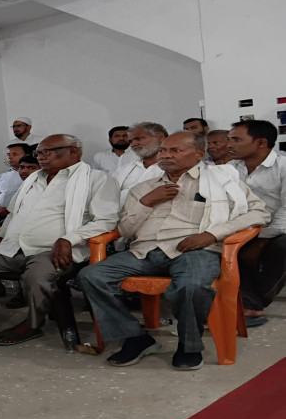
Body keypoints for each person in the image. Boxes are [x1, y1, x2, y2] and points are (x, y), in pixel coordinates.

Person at [78, 132, 269, 370]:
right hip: (145, 251)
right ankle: (135, 338)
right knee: (91, 276)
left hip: (196, 250)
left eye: (175, 151)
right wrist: (146, 202)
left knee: (191, 285)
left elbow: (259, 212)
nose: (165, 155)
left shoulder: (221, 181)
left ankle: (189, 346)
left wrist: (212, 234)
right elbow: (126, 230)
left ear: (199, 154)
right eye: (162, 150)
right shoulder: (144, 188)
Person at [0, 134, 118, 356]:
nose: (40, 157)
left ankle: (32, 324)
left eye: (47, 152)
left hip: (53, 251)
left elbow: (106, 220)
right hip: (12, 247)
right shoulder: (33, 179)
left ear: (73, 151)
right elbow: (15, 213)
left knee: (37, 277)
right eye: (38, 153)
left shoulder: (97, 179)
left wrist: (70, 238)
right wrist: (2, 234)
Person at [227, 120, 286, 327]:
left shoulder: (283, 166)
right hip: (244, 226)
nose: (229, 145)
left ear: (260, 142)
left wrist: (261, 240)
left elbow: (285, 210)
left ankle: (253, 304)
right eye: (229, 139)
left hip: (278, 227)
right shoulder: (230, 169)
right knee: (229, 245)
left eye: (236, 140)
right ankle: (246, 304)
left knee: (282, 247)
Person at [113, 122, 168, 207]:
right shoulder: (125, 168)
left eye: (138, 138)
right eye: (130, 141)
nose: (133, 144)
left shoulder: (176, 167)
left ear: (160, 137)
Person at [0, 143, 28, 224]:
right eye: (8, 154)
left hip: (20, 216)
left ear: (27, 155)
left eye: (15, 154)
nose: (10, 157)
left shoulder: (32, 175)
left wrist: (9, 210)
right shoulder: (1, 177)